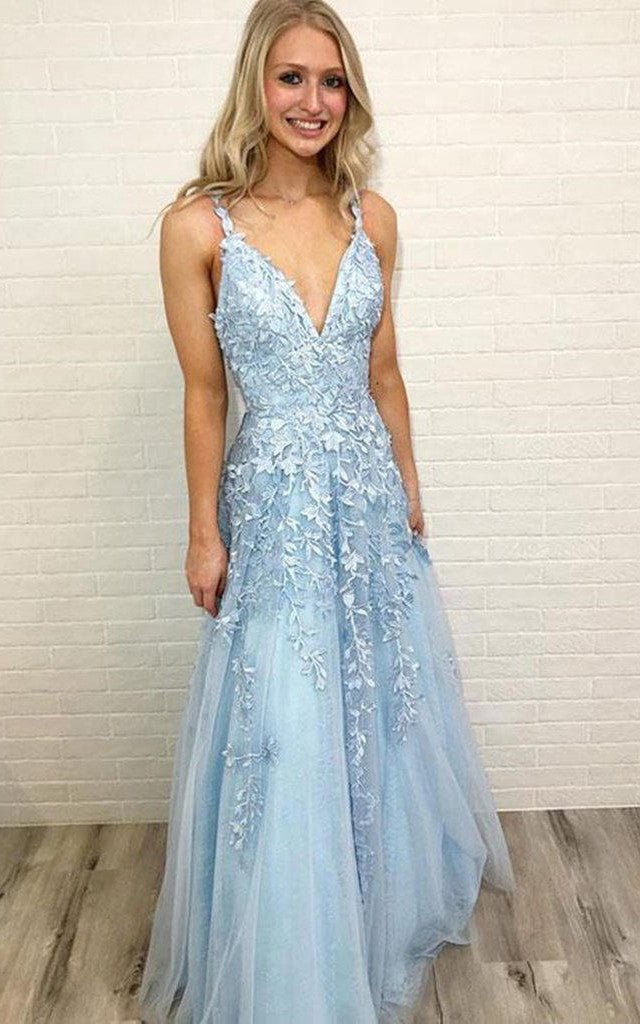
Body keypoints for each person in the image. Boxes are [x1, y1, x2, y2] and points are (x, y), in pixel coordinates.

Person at [136, 1, 516, 1021]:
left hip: (367, 492)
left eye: (332, 80)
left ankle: (373, 899)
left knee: (381, 695)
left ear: (352, 95)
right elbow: (205, 395)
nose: (313, 101)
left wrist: (409, 483)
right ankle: (289, 942)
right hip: (275, 504)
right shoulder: (197, 228)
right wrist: (203, 531)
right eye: (292, 77)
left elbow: (383, 371)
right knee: (284, 713)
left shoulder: (370, 217)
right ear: (256, 87)